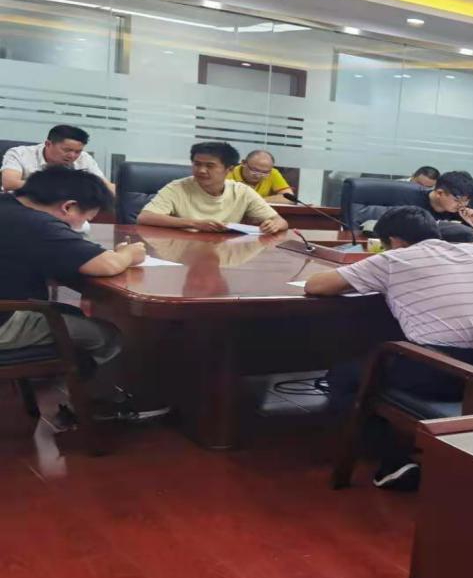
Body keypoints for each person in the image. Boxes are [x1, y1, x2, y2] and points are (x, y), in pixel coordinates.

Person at [308, 206, 473, 490]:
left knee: (345, 375)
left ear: (394, 241)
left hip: (441, 374)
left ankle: (392, 461)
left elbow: (316, 286)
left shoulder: (393, 259)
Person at [0, 168, 159, 420]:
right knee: (106, 336)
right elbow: (106, 265)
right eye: (86, 218)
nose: (81, 227)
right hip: (6, 322)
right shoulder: (36, 223)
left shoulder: (8, 205)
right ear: (69, 207)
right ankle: (101, 405)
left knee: (70, 314)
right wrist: (129, 254)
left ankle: (72, 389)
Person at [137, 142, 289, 233]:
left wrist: (274, 225)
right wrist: (195, 224)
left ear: (229, 169)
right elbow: (145, 217)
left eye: (210, 166)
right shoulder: (177, 187)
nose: (201, 170)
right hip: (184, 250)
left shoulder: (242, 192)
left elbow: (281, 222)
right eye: (197, 164)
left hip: (223, 252)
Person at [2, 125, 116, 194]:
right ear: (48, 144)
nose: (72, 156)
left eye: (77, 151)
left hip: (63, 209)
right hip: (21, 205)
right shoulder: (20, 153)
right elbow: (10, 183)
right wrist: (57, 186)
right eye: (67, 150)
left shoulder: (84, 158)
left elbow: (105, 185)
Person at [421, 170, 473, 237]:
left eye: (466, 200)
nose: (462, 205)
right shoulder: (415, 202)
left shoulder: (465, 207)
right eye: (457, 200)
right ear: (439, 193)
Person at [226, 149, 294, 203]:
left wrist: (258, 202)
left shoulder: (272, 173)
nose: (258, 176)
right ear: (243, 163)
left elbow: (290, 198)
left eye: (265, 172)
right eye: (254, 170)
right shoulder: (228, 173)